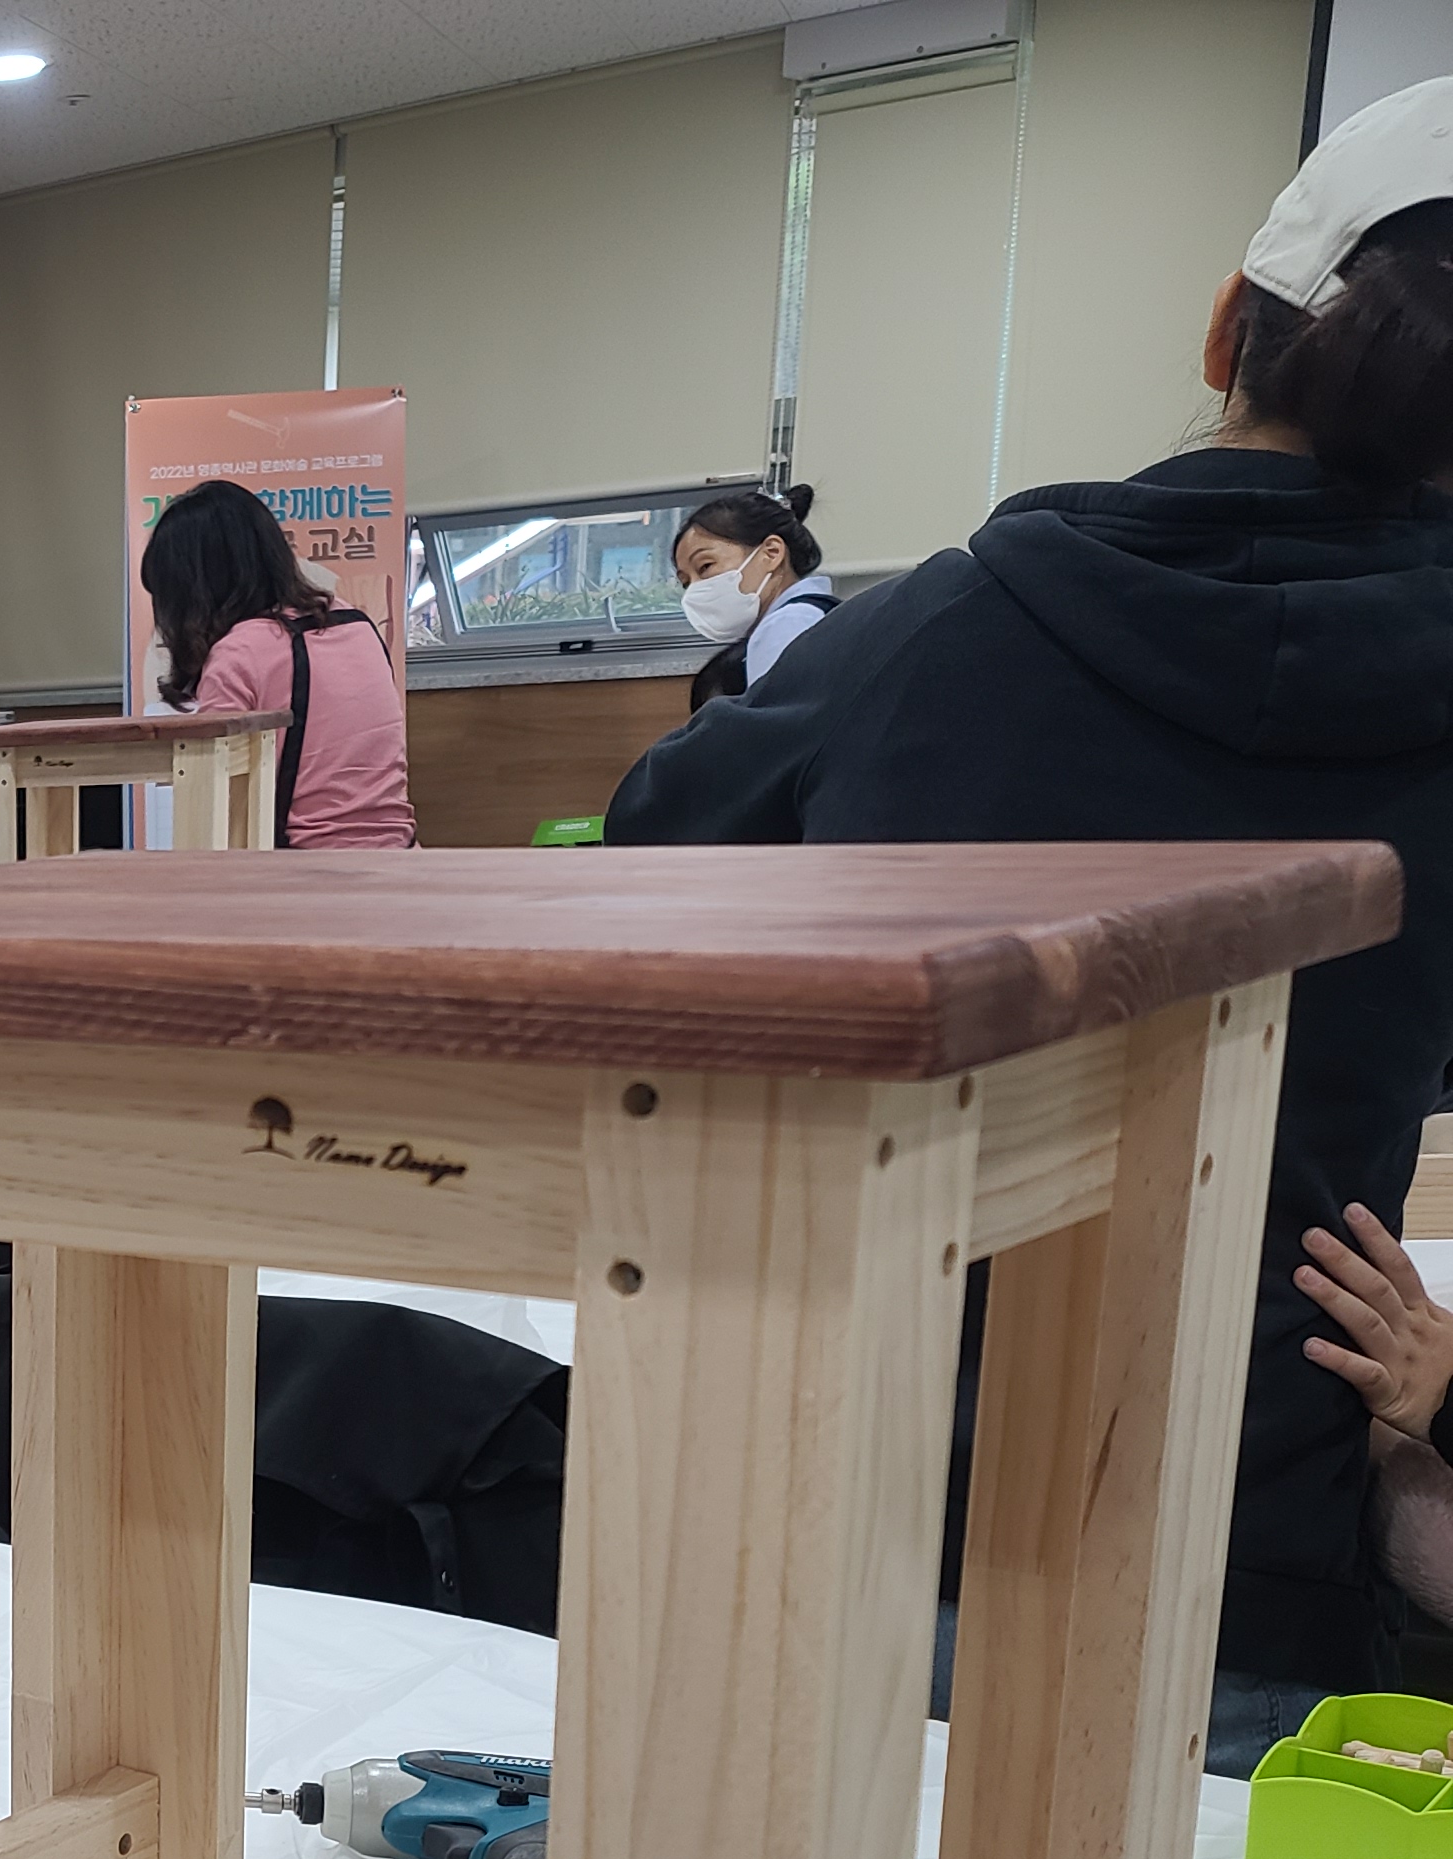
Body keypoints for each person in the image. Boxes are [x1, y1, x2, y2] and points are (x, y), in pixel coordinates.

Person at [606, 79, 1453, 1762]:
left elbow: (652, 843)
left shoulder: (944, 626)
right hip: (1246, 1581)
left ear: (1224, 329)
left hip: (862, 1531)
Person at [137, 478, 415, 848]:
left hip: (303, 869)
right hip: (400, 855)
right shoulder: (358, 625)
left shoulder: (239, 653)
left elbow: (216, 806)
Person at [671, 481, 837, 709]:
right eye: (686, 583)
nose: (695, 590)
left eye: (705, 566)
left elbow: (779, 725)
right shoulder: (816, 614)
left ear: (772, 553)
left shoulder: (787, 626)